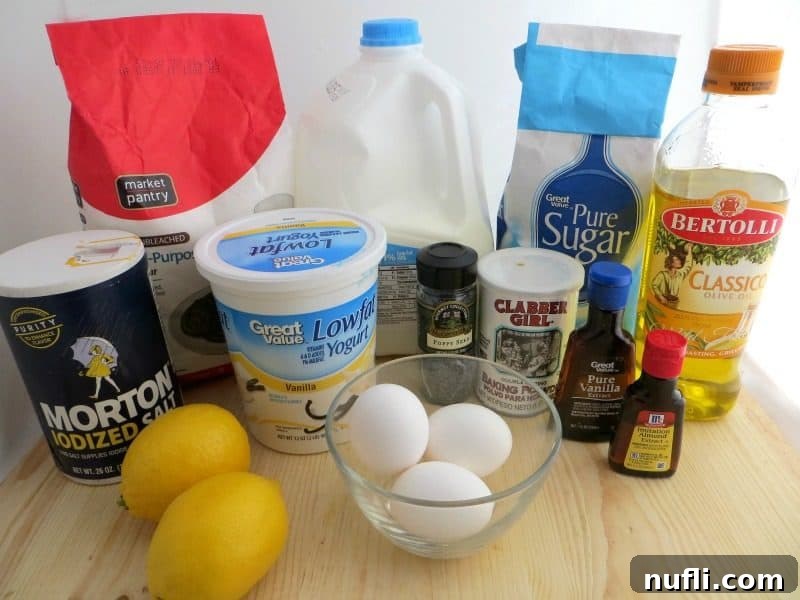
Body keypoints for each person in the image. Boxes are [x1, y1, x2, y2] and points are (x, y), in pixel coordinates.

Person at [651, 243, 694, 308]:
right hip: (660, 302)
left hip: (673, 303)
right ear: (671, 263)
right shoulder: (662, 275)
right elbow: (654, 285)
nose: (680, 261)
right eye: (677, 259)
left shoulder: (680, 275)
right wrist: (661, 297)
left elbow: (688, 265)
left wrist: (690, 250)